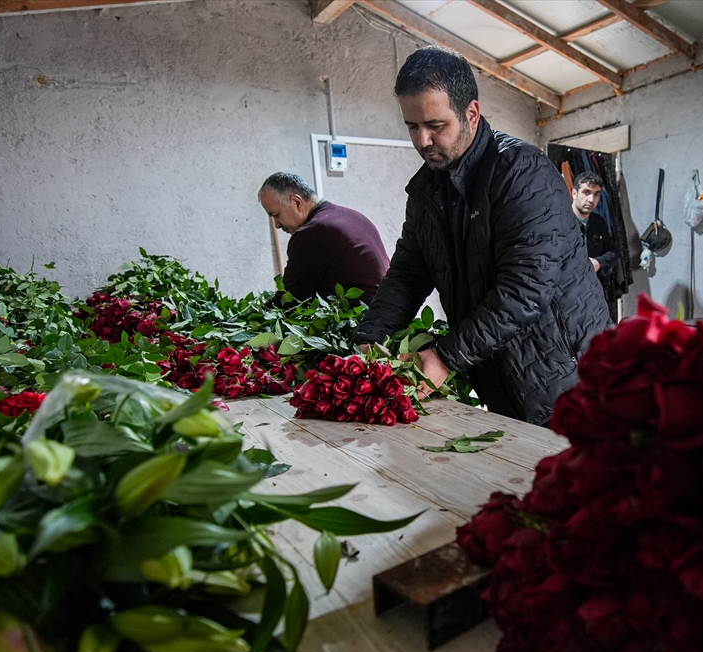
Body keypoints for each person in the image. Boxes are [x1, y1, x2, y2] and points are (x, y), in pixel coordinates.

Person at [353, 46, 611, 427]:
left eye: (435, 126)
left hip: (572, 379)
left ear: (471, 113)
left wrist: (444, 357)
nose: (422, 140)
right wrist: (368, 339)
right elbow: (408, 274)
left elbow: (526, 289)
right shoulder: (426, 193)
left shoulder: (521, 174)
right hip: (501, 378)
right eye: (412, 127)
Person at [257, 172, 388, 305]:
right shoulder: (354, 216)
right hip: (390, 307)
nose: (277, 224)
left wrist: (249, 315)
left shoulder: (311, 234)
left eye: (276, 215)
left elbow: (289, 300)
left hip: (367, 315)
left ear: (296, 202)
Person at [571, 170, 619, 314]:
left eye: (596, 194)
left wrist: (598, 263)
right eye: (586, 192)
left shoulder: (599, 222)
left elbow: (613, 252)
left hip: (594, 294)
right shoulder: (561, 222)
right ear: (574, 193)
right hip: (567, 295)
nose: (591, 199)